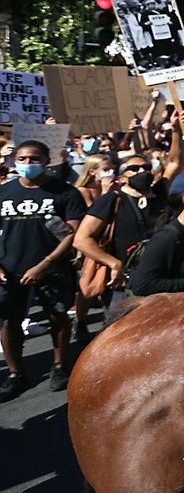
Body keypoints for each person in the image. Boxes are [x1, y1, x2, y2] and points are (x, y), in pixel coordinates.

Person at [0, 141, 86, 401]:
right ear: (15, 160)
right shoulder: (4, 192)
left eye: (34, 159)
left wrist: (45, 264)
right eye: (23, 158)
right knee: (9, 321)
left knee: (58, 316)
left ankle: (59, 366)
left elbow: (70, 234)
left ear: (47, 160)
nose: (28, 164)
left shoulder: (65, 193)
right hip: (11, 269)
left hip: (52, 268)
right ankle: (16, 373)